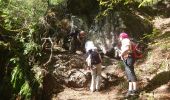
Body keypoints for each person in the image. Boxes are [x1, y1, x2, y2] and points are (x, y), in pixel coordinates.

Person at [119, 32, 138, 98]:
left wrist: (121, 54)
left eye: (120, 36)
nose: (119, 38)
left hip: (129, 58)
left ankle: (135, 91)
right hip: (128, 58)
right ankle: (130, 90)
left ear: (122, 37)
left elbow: (127, 49)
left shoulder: (126, 40)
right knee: (129, 73)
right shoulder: (126, 40)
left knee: (130, 73)